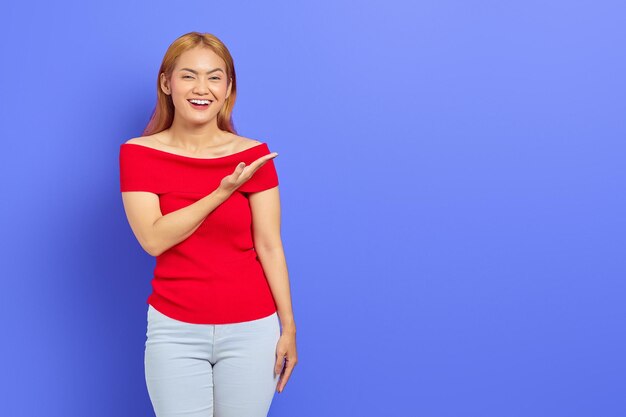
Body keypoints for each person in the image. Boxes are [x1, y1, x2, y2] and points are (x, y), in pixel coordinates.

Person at [118, 31, 298, 417]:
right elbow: (153, 238)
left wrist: (289, 329)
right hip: (175, 330)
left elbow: (270, 245)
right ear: (167, 83)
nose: (202, 89)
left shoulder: (254, 156)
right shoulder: (138, 154)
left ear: (229, 87)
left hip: (253, 329)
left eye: (215, 77)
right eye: (189, 76)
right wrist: (220, 193)